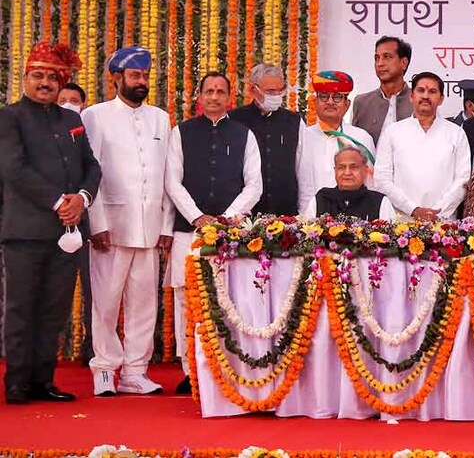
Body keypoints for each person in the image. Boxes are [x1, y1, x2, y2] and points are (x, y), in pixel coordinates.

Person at [0, 41, 101, 405]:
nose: (44, 82)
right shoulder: (10, 117)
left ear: (62, 82)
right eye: (37, 76)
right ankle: (17, 383)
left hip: (67, 234)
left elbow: (93, 167)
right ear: (25, 78)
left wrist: (83, 199)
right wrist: (61, 201)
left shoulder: (72, 120)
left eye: (51, 77)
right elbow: (14, 170)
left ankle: (43, 380)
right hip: (25, 233)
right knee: (21, 308)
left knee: (53, 309)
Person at [164, 72, 263, 395]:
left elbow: (254, 184)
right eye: (209, 91)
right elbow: (172, 182)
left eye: (221, 92)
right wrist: (197, 218)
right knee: (186, 300)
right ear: (199, 96)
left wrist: (225, 219)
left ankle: (223, 368)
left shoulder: (243, 133)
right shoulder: (182, 132)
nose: (215, 97)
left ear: (229, 98)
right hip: (188, 231)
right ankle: (189, 370)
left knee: (227, 298)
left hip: (229, 233)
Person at [83, 46, 172, 397]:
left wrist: (165, 226)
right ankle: (104, 369)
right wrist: (96, 221)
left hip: (149, 228)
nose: (142, 82)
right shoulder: (96, 116)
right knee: (105, 302)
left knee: (144, 303)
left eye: (145, 76)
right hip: (111, 227)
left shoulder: (160, 118)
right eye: (135, 76)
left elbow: (166, 175)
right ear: (116, 78)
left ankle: (135, 371)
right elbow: (91, 172)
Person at [374, 72, 471, 221]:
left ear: (441, 99)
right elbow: (382, 179)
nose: (426, 96)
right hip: (401, 223)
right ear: (411, 96)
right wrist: (413, 209)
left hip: (443, 222)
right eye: (421, 90)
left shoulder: (456, 133)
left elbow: (463, 180)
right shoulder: (393, 132)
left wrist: (438, 212)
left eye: (432, 91)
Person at [228, 63, 306, 217]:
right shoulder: (234, 120)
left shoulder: (294, 121)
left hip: (286, 215)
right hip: (244, 215)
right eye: (270, 91)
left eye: (280, 90)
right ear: (253, 90)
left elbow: (302, 169)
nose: (276, 96)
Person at [296, 70, 377, 212]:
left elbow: (371, 185)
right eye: (324, 96)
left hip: (354, 221)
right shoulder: (301, 137)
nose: (330, 102)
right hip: (310, 222)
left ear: (347, 104)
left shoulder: (361, 138)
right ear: (315, 103)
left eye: (337, 97)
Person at [54, 80, 93, 363]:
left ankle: (92, 348)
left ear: (83, 106)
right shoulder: (43, 134)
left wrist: (82, 200)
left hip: (89, 220)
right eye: (62, 100)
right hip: (50, 219)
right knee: (53, 288)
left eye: (74, 100)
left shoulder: (89, 136)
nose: (68, 104)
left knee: (94, 288)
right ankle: (47, 351)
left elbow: (97, 172)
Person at [351, 35, 413, 146]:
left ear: (404, 63)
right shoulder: (361, 103)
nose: (380, 63)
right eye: (377, 58)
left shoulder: (419, 101)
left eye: (387, 57)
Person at [303, 147, 396, 220]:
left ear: (365, 171)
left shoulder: (380, 202)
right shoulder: (320, 199)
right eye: (341, 167)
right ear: (335, 171)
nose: (347, 173)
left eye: (354, 167)